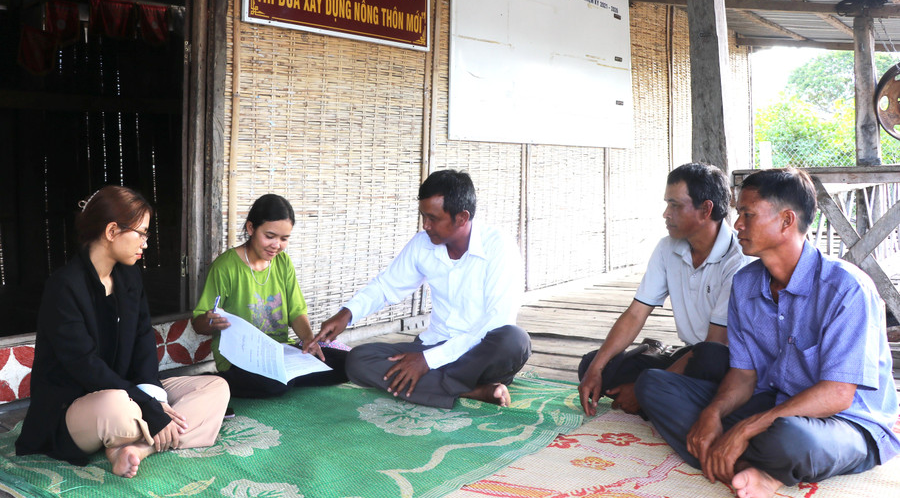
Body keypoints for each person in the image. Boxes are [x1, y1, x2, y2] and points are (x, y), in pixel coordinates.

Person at [635, 168, 900, 498]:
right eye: (739, 214)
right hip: (776, 407)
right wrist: (713, 414)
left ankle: (751, 460)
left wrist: (746, 428)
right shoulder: (746, 285)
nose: (737, 225)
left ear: (786, 221)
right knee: (654, 385)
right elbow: (744, 375)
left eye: (748, 214)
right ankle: (752, 467)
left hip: (846, 422)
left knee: (790, 439)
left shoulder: (846, 288)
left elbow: (837, 394)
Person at [16, 186, 230, 479]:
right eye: (140, 233)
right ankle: (147, 432)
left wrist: (155, 400)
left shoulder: (129, 277)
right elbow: (85, 367)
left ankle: (137, 449)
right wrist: (151, 408)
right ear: (112, 231)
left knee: (215, 388)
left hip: (131, 394)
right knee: (117, 407)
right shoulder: (64, 287)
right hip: (80, 405)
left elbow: (144, 341)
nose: (145, 243)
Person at [311, 169, 531, 409]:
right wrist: (347, 314)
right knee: (358, 361)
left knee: (514, 340)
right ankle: (472, 391)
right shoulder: (422, 244)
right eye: (423, 216)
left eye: (433, 218)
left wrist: (427, 361)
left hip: (478, 356)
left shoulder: (500, 247)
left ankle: (440, 386)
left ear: (461, 218)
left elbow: (496, 323)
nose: (425, 225)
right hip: (432, 344)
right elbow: (386, 287)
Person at [578, 162, 747, 417]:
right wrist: (597, 368)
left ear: (705, 209)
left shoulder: (738, 261)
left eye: (675, 205)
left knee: (709, 357)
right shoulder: (668, 247)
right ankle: (657, 397)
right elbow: (636, 313)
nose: (666, 214)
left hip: (723, 363)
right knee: (592, 365)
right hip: (686, 356)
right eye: (667, 204)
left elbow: (716, 343)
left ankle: (652, 395)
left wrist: (642, 389)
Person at [192, 194, 347, 398]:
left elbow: (296, 312)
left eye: (284, 239)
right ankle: (218, 380)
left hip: (280, 352)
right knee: (275, 385)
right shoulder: (225, 267)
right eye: (270, 236)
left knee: (346, 365)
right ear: (250, 229)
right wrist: (210, 321)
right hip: (239, 359)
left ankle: (290, 376)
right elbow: (198, 323)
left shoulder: (282, 263)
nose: (277, 245)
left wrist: (309, 340)